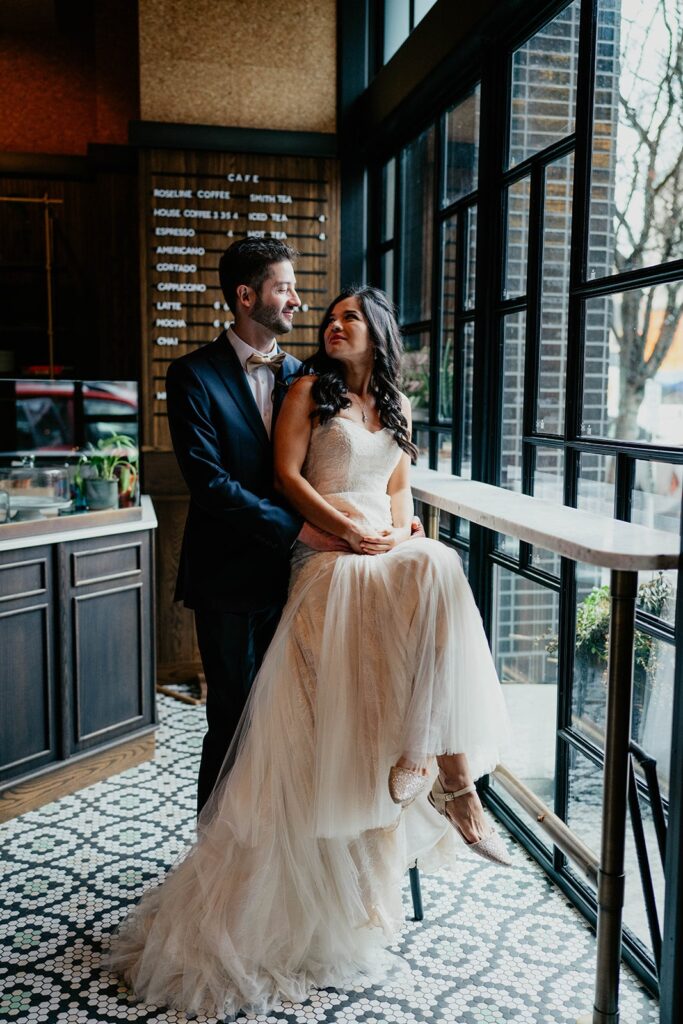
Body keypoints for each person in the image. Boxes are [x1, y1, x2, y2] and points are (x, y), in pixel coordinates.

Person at [107, 286, 511, 1016]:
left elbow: (398, 494)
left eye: (346, 317)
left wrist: (401, 529)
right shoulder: (305, 393)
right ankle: (451, 777)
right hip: (326, 557)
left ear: (377, 330)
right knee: (441, 569)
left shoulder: (395, 409)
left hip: (380, 554)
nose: (330, 324)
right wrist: (351, 534)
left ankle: (433, 758)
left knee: (434, 563)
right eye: (326, 317)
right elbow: (290, 481)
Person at [165, 237, 345, 813]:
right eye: (283, 287)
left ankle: (271, 847)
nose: (296, 299)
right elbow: (209, 483)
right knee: (232, 718)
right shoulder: (192, 375)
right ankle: (214, 857)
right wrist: (295, 529)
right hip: (228, 579)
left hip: (302, 577)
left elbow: (338, 460)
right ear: (246, 297)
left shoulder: (306, 376)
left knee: (287, 716)